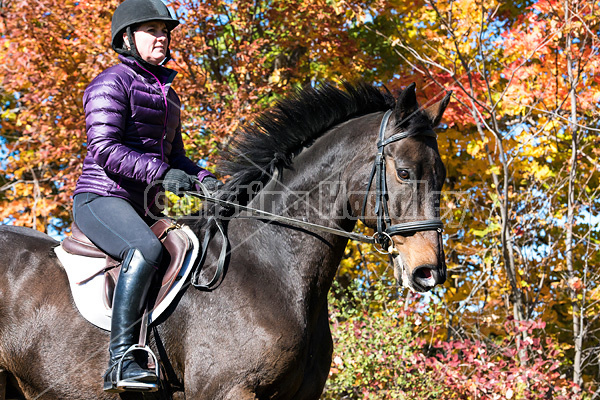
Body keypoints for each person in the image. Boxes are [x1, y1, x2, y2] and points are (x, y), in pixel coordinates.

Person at [72, 0, 221, 392]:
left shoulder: (168, 94)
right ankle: (121, 360)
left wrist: (207, 179)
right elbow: (104, 148)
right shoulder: (111, 83)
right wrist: (162, 174)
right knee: (146, 251)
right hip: (101, 198)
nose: (161, 36)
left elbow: (177, 158)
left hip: (142, 205)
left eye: (164, 30)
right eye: (151, 29)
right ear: (126, 37)